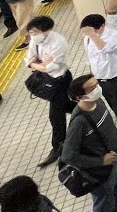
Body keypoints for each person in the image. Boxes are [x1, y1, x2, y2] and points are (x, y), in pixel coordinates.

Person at [63, 75, 117, 212]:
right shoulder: (79, 122)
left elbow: (109, 124)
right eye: (92, 88)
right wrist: (101, 161)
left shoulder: (98, 101)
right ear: (79, 97)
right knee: (104, 203)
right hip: (100, 171)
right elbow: (68, 155)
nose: (97, 89)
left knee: (115, 191)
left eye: (96, 85)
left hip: (115, 159)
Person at [24, 15, 74, 168]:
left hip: (60, 81)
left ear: (46, 30)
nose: (33, 35)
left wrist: (37, 65)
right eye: (31, 32)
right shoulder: (35, 40)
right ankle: (88, 110)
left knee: (55, 115)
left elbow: (50, 67)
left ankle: (58, 147)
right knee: (65, 106)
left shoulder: (59, 42)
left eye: (36, 32)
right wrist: (37, 65)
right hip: (47, 80)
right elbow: (28, 60)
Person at [80, 14, 117, 135]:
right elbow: (90, 57)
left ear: (102, 26)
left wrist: (93, 35)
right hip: (102, 77)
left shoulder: (114, 35)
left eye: (92, 31)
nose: (88, 34)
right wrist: (93, 74)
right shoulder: (88, 38)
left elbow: (104, 49)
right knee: (113, 104)